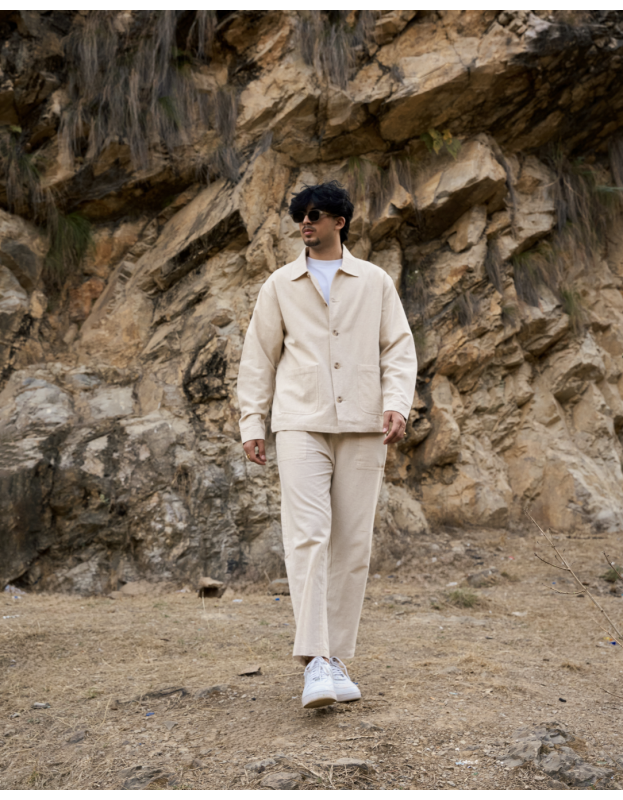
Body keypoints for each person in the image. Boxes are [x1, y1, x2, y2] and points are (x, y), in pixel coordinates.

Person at [237, 180, 417, 709]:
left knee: (353, 545)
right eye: (301, 215)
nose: (305, 223)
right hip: (300, 422)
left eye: (315, 215)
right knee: (308, 537)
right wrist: (252, 423)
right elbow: (258, 356)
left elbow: (398, 348)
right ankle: (315, 660)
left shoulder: (375, 282)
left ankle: (337, 657)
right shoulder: (279, 285)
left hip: (363, 425)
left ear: (340, 221)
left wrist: (397, 403)